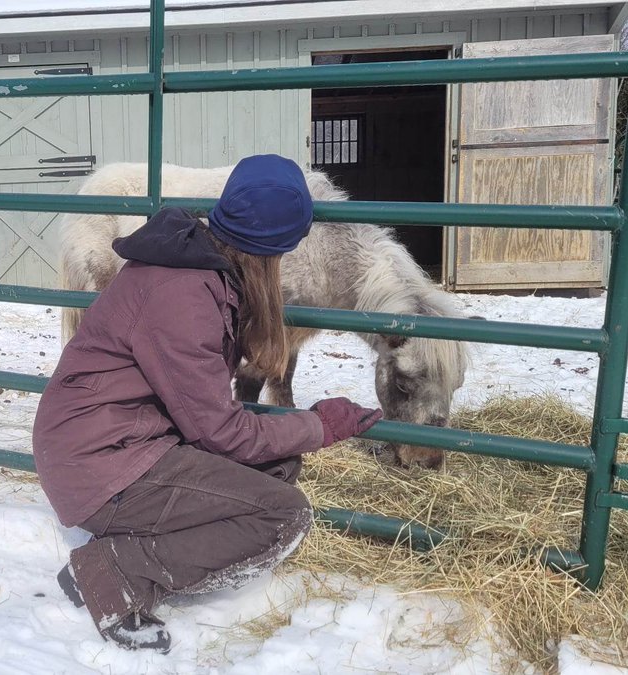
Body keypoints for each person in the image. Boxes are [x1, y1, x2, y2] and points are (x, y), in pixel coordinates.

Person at [32, 154, 383, 653]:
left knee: (277, 468)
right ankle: (113, 573)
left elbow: (209, 415)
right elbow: (220, 432)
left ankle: (128, 544)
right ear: (272, 249)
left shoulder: (204, 272)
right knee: (282, 517)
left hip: (122, 440)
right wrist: (320, 426)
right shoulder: (185, 294)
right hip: (99, 460)